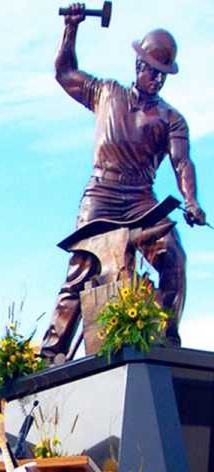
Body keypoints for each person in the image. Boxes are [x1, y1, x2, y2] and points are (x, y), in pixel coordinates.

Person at [40, 4, 207, 362]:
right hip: (101, 194)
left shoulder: (171, 119)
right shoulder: (105, 92)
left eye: (165, 75)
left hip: (143, 201)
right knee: (83, 268)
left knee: (173, 258)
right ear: (139, 65)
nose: (158, 80)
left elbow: (182, 161)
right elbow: (64, 71)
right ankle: (50, 352)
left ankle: (165, 337)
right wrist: (71, 29)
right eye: (155, 72)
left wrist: (190, 199)